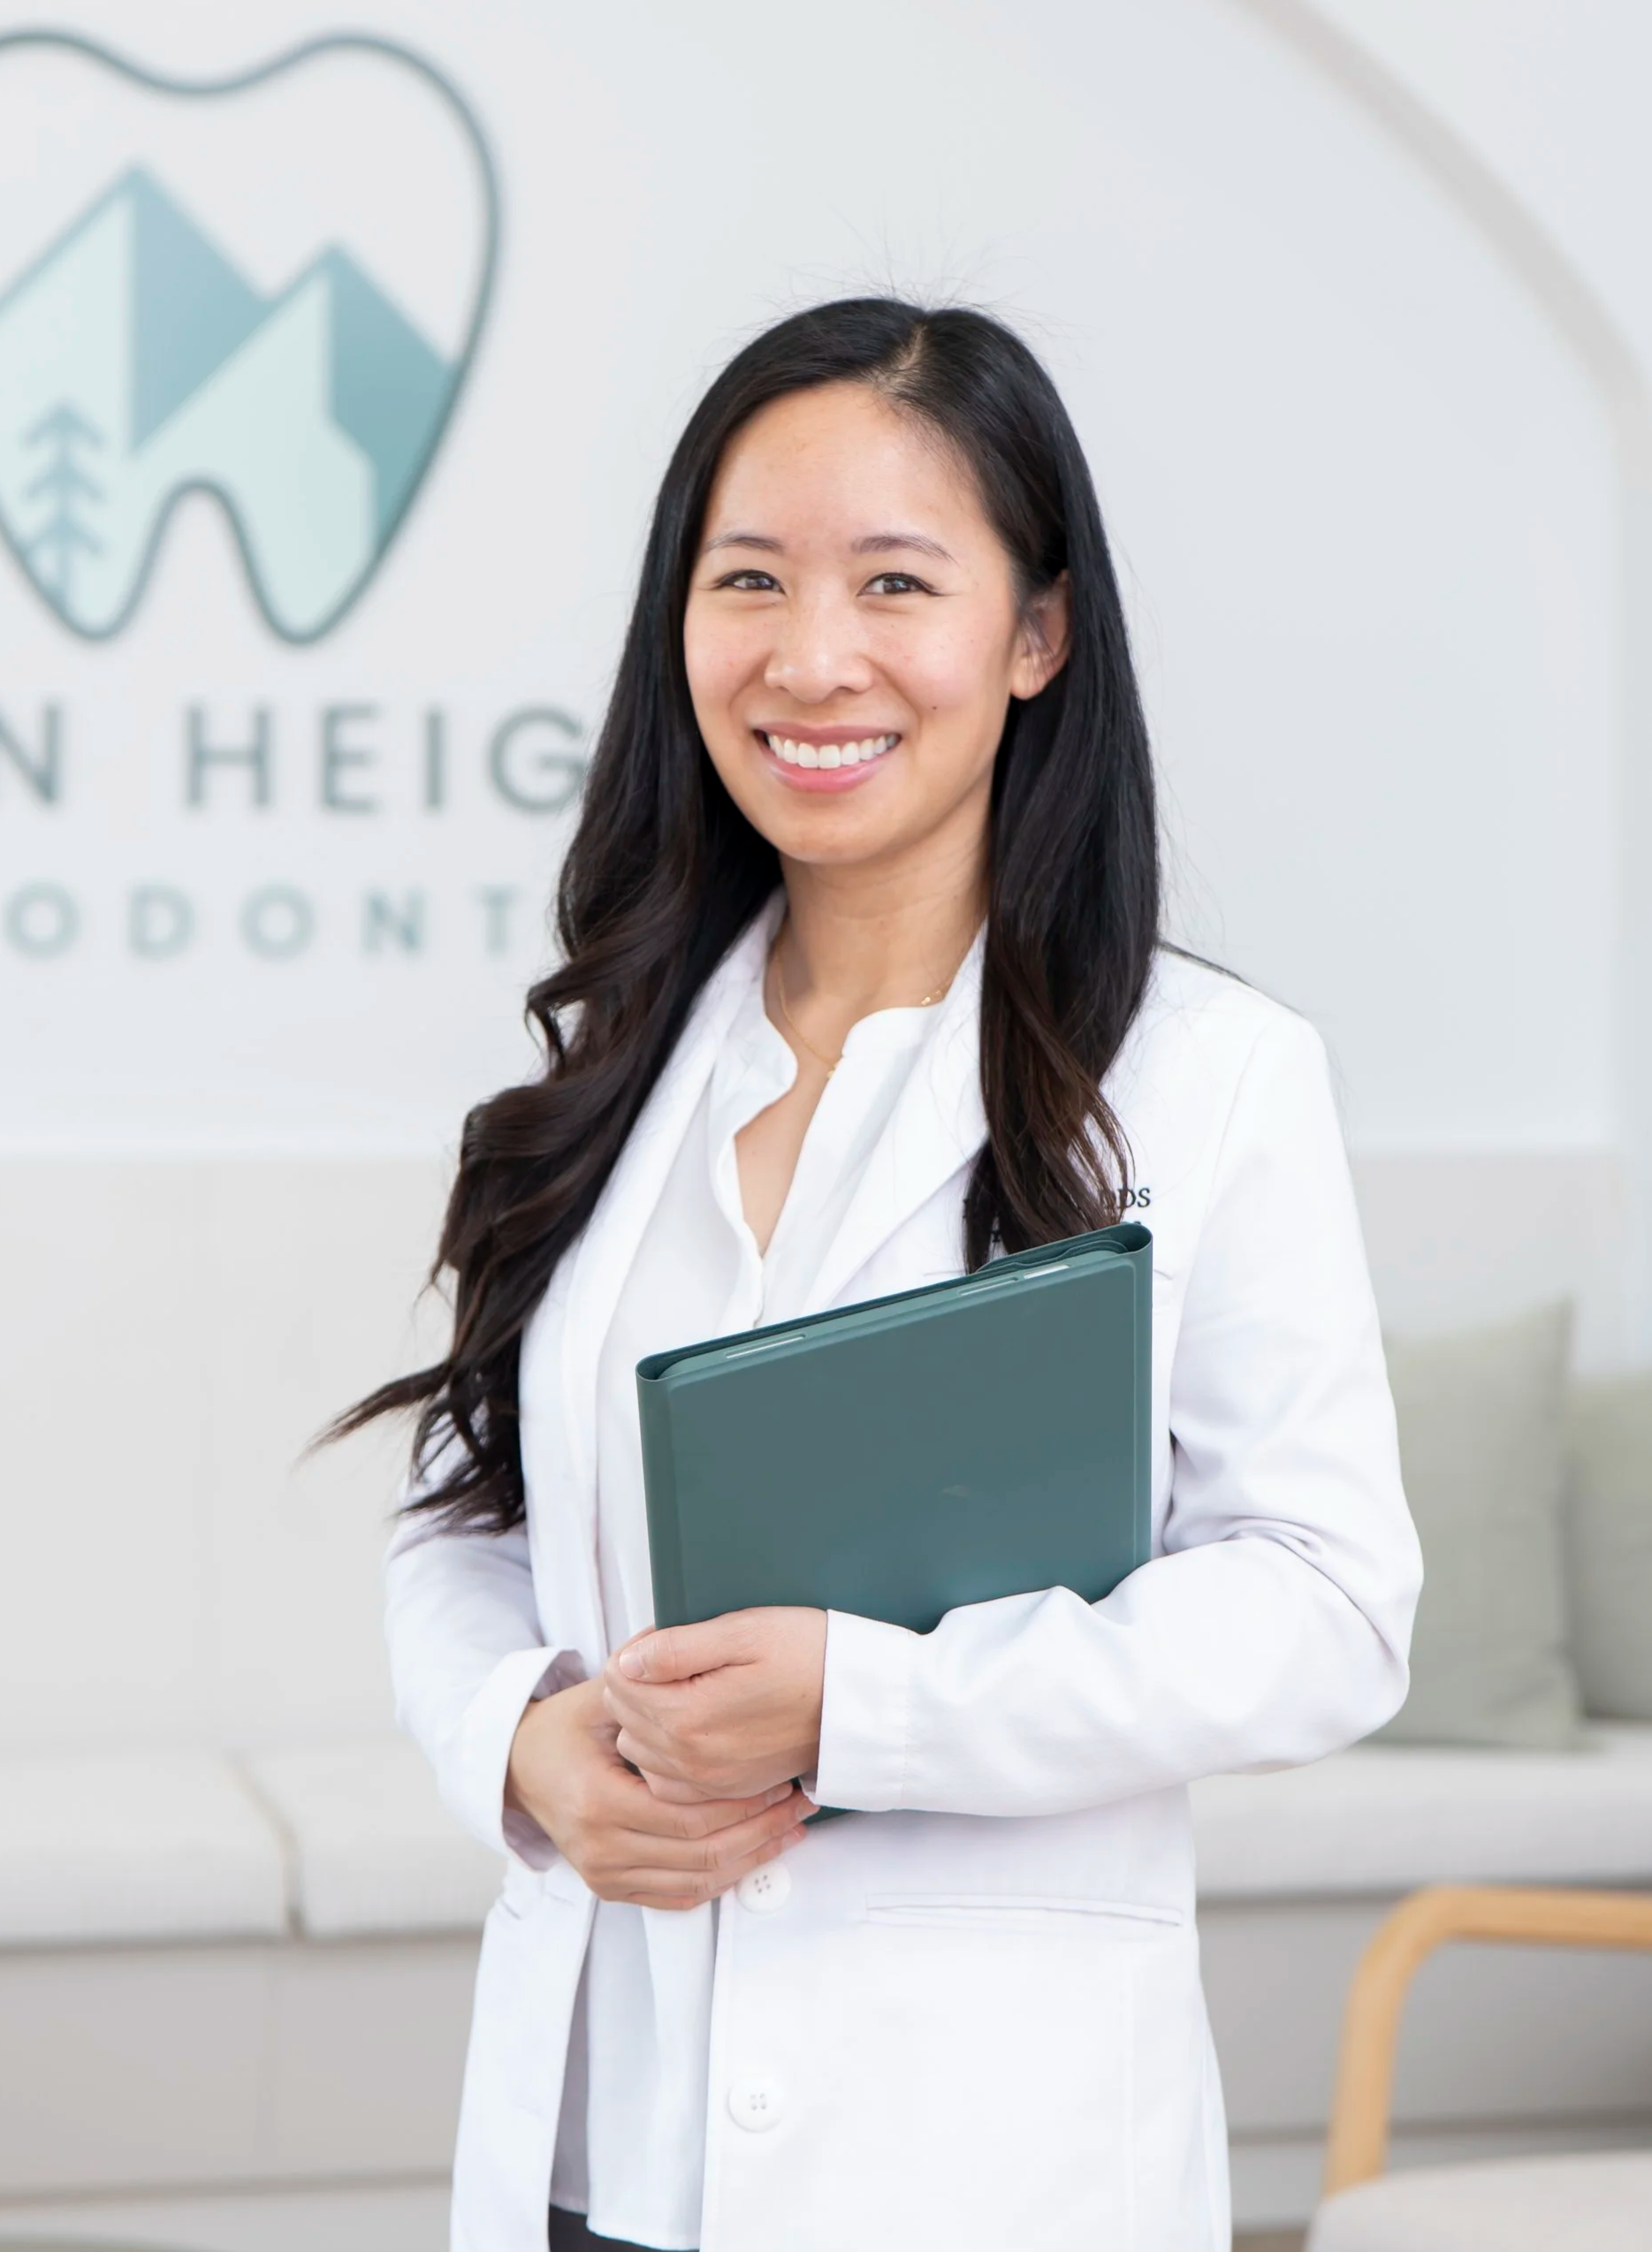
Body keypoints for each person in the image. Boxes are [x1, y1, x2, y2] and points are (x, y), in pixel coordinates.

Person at [348, 297, 1421, 2252]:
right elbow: (464, 1518)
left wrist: (870, 1705)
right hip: (605, 2123)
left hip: (973, 2146)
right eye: (745, 577)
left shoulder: (1210, 1080)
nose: (809, 655)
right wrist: (518, 1741)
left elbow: (1333, 1601)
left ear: (1034, 636)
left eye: (895, 582)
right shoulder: (601, 1086)